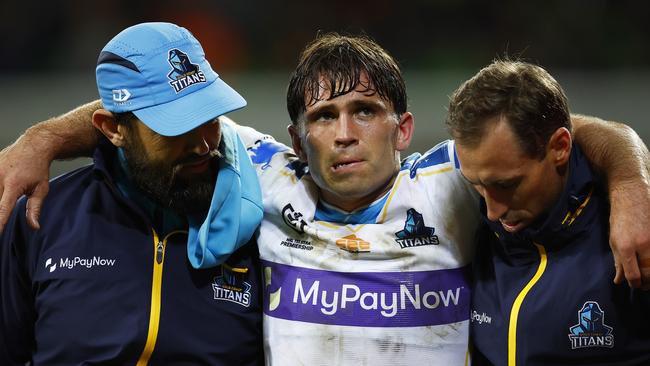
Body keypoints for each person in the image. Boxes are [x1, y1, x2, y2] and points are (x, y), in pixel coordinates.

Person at [1, 31, 650, 365]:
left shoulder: (453, 179)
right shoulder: (261, 168)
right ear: (295, 137)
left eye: (365, 110)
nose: (343, 133)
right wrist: (40, 141)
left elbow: (579, 129)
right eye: (323, 115)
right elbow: (146, 114)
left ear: (402, 129)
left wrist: (630, 187)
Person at [0, 23, 264, 365]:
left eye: (210, 119)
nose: (202, 145)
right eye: (177, 128)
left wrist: (45, 138)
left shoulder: (265, 219)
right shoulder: (43, 219)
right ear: (112, 129)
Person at [447, 60, 650, 365]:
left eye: (507, 184)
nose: (491, 210)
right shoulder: (455, 199)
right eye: (475, 184)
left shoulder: (635, 235)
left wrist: (630, 184)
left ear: (559, 147)